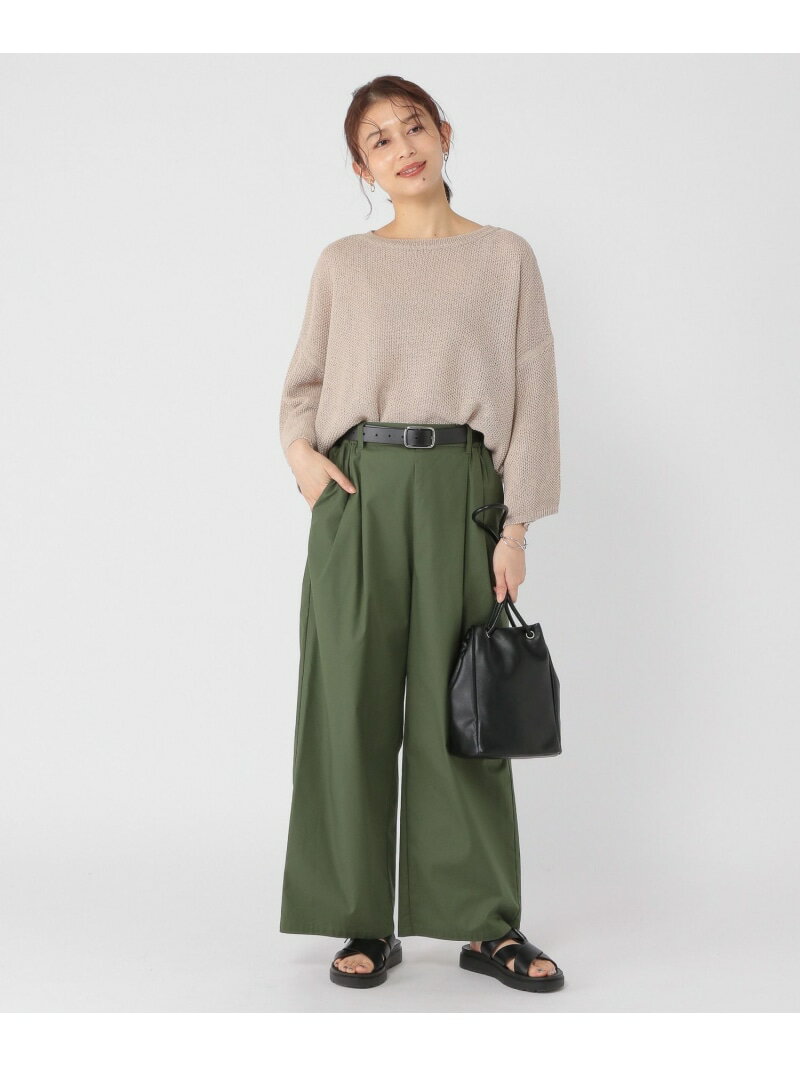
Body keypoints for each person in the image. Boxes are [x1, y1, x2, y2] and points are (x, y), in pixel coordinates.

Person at [277, 75, 564, 993]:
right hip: (358, 492)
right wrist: (301, 455)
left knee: (462, 710)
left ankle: (485, 924)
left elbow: (533, 392)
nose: (402, 147)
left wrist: (516, 525)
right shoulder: (343, 264)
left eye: (412, 127)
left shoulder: (504, 257)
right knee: (348, 703)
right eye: (378, 139)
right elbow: (305, 382)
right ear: (361, 168)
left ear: (444, 132)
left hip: (461, 493)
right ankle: (362, 916)